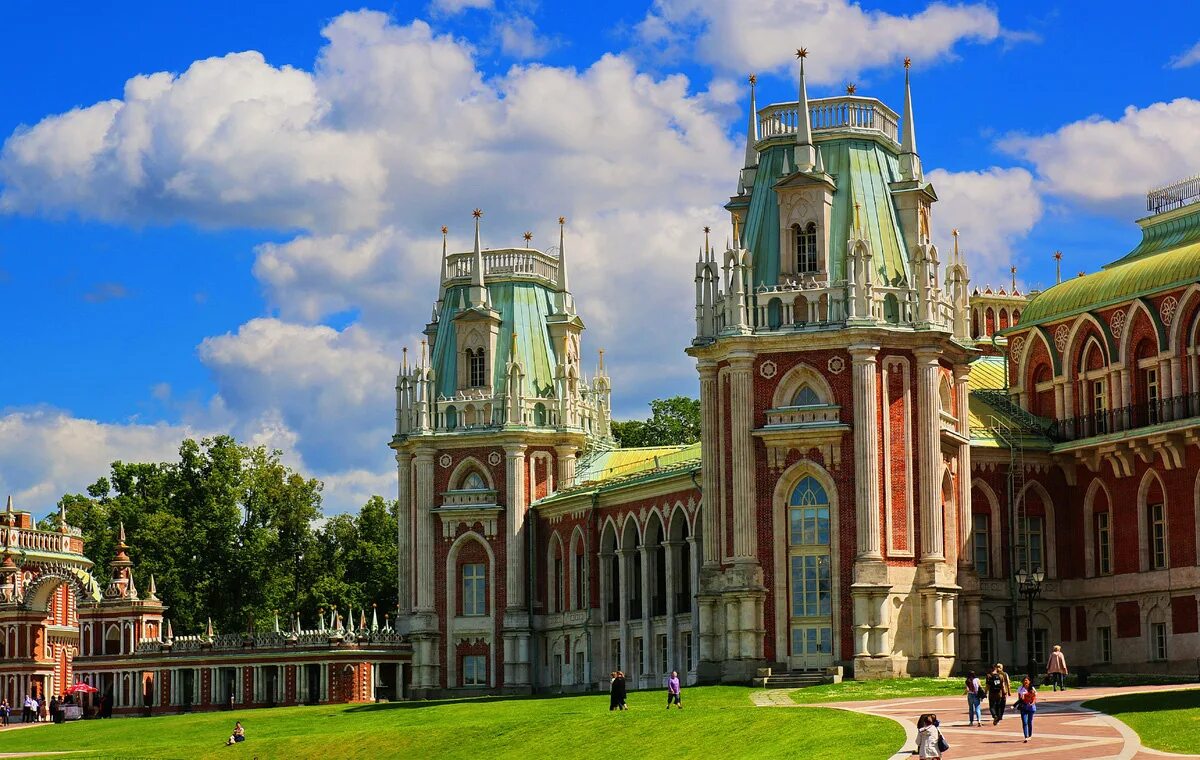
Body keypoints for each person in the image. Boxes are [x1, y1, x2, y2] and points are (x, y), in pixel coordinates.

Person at [1016, 676, 1038, 742]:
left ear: (1029, 681)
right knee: (1024, 722)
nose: (1025, 682)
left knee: (1029, 722)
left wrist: (1032, 703)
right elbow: (1019, 698)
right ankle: (1026, 736)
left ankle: (1030, 735)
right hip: (1023, 707)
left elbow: (1034, 697)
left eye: (1026, 680)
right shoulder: (1020, 688)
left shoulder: (1032, 688)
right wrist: (1019, 703)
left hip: (1031, 707)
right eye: (1024, 680)